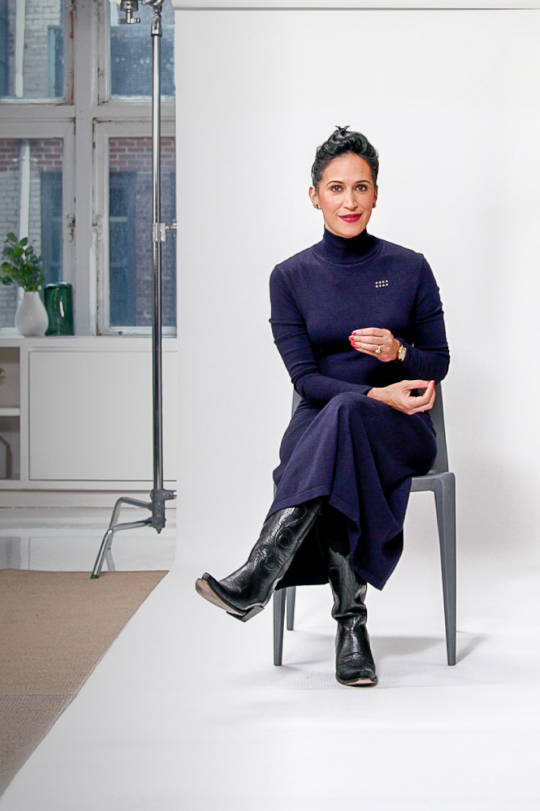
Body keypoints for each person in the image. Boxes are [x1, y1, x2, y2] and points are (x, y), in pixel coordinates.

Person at [194, 127, 450, 687]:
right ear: (315, 195)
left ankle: (260, 574)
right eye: (337, 188)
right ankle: (350, 629)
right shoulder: (290, 277)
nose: (350, 201)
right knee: (340, 422)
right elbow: (306, 380)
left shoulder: (411, 267)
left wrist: (401, 352)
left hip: (398, 428)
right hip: (324, 423)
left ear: (377, 193)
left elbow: (440, 363)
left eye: (361, 188)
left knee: (346, 422)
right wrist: (367, 393)